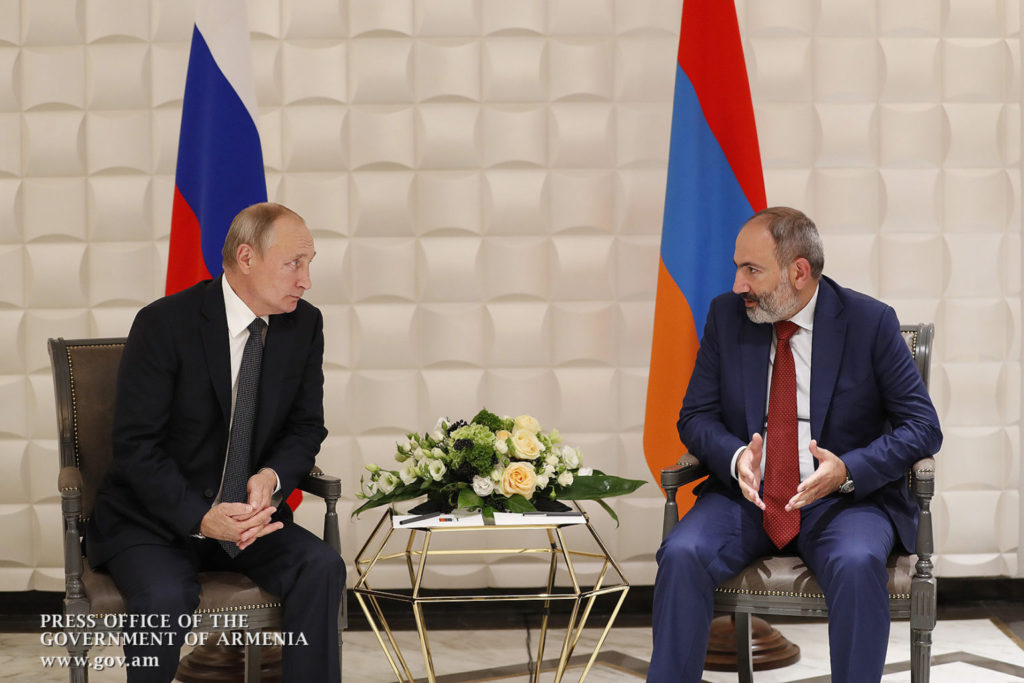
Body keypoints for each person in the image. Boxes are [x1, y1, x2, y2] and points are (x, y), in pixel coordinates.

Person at [648, 207, 942, 683]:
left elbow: (923, 427)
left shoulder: (870, 322)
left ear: (799, 272)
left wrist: (848, 468)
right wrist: (737, 456)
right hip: (748, 497)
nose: (739, 284)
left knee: (856, 561)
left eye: (752, 269)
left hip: (843, 501)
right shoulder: (727, 316)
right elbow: (695, 416)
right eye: (737, 268)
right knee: (682, 553)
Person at [87, 202, 345, 682]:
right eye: (294, 263)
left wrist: (271, 476)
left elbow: (306, 427)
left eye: (310, 263)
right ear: (246, 258)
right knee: (164, 596)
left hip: (247, 521)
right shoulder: (164, 324)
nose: (306, 279)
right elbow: (136, 447)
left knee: (321, 566)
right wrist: (201, 517)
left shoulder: (303, 325)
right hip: (155, 519)